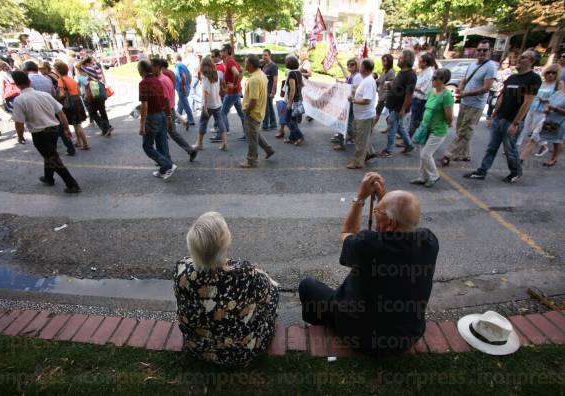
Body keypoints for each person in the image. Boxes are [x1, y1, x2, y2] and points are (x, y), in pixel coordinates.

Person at [298, 172, 438, 355]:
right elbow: (398, 223)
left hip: (363, 339)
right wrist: (385, 200)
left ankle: (321, 326)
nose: (375, 212)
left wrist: (361, 197)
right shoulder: (429, 241)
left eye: (377, 211)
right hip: (408, 336)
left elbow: (347, 232)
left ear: (390, 223)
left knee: (308, 286)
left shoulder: (368, 244)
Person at [174, 212, 279, 366]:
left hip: (198, 349)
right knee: (273, 291)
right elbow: (266, 293)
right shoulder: (245, 274)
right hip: (241, 353)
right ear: (225, 242)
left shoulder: (182, 272)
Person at [464, 50, 542, 183]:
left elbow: (527, 102)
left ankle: (516, 171)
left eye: (523, 57)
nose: (519, 58)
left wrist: (516, 123)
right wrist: (493, 116)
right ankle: (482, 171)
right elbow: (502, 97)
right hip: (500, 118)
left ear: (531, 61)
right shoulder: (512, 78)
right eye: (520, 56)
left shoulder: (533, 78)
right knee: (491, 147)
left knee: (509, 149)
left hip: (512, 121)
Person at [10, 71, 81, 194]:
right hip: (54, 130)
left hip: (40, 134)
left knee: (52, 158)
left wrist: (20, 136)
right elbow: (61, 112)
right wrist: (66, 128)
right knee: (49, 155)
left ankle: (72, 184)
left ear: (16, 85)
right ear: (29, 81)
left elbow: (19, 123)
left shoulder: (19, 100)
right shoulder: (45, 95)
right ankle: (48, 178)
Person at [442, 40, 497, 165]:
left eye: (484, 50)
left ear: (490, 51)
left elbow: (486, 88)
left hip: (476, 105)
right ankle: (464, 154)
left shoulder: (490, 67)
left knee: (465, 131)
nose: (481, 52)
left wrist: (465, 93)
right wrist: (460, 87)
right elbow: (464, 79)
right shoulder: (473, 64)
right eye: (479, 50)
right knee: (461, 129)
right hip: (465, 102)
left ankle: (448, 154)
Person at [411, 68, 454, 188]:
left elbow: (449, 116)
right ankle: (422, 177)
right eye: (433, 77)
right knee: (422, 154)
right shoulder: (432, 92)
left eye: (435, 78)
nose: (432, 80)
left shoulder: (446, 95)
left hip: (438, 130)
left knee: (425, 154)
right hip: (426, 128)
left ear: (443, 80)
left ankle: (434, 176)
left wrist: (448, 123)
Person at [24, 60, 75, 156]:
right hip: (51, 105)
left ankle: (52, 152)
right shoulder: (46, 79)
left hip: (39, 108)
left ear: (26, 70)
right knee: (60, 127)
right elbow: (54, 94)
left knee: (44, 132)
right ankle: (70, 147)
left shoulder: (28, 81)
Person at [151, 58, 197, 162]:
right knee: (168, 134)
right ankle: (169, 157)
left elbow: (165, 99)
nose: (151, 69)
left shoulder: (161, 80)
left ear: (158, 67)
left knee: (164, 136)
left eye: (152, 67)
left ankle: (166, 159)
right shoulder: (166, 77)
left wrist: (167, 116)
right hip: (169, 109)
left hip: (165, 111)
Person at [137, 60, 177, 181]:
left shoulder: (143, 83)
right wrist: (169, 116)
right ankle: (165, 169)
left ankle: (167, 165)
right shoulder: (158, 80)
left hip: (152, 117)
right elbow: (165, 99)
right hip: (162, 115)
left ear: (142, 70)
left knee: (147, 146)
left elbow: (145, 105)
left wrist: (142, 124)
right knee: (161, 144)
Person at [518, 64, 561, 159]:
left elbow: (558, 100)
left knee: (535, 135)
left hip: (544, 113)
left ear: (557, 74)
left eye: (553, 73)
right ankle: (543, 146)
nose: (550, 75)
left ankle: (520, 158)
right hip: (533, 109)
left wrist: (547, 101)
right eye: (549, 72)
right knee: (527, 129)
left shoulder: (557, 86)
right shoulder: (541, 83)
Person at [379, 50, 416, 157]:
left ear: (407, 60)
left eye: (401, 58)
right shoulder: (401, 72)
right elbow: (399, 85)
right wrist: (391, 84)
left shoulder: (411, 75)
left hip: (398, 107)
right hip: (393, 104)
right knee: (399, 127)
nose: (398, 59)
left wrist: (403, 109)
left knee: (392, 127)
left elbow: (409, 94)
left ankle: (389, 150)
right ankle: (409, 145)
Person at [240, 55, 275, 168]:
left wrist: (247, 111)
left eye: (245, 62)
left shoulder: (254, 79)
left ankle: (251, 160)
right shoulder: (261, 74)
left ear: (250, 65)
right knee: (255, 134)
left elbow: (253, 100)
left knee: (251, 137)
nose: (244, 64)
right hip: (259, 111)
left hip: (253, 112)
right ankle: (269, 150)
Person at [346, 58, 377, 169]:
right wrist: (355, 93)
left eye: (361, 65)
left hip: (365, 116)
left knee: (360, 140)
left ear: (364, 68)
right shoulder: (367, 79)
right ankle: (368, 152)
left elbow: (367, 100)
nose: (359, 67)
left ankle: (358, 162)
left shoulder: (368, 81)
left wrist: (353, 100)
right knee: (363, 137)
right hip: (363, 115)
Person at [54, 61, 89, 150]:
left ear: (58, 70)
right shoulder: (71, 79)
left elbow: (62, 94)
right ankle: (78, 142)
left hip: (70, 103)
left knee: (77, 125)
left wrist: (57, 98)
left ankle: (85, 143)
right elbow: (79, 92)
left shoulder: (60, 80)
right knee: (77, 123)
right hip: (77, 101)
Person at [196, 56, 227, 151]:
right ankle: (224, 143)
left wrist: (205, 107)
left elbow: (206, 93)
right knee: (220, 122)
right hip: (217, 103)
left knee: (202, 123)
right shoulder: (217, 73)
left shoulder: (206, 78)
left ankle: (199, 144)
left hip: (209, 105)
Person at [77, 56, 113, 136]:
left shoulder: (89, 69)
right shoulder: (97, 67)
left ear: (87, 63)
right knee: (102, 111)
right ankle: (107, 128)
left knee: (92, 113)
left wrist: (84, 60)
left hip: (94, 92)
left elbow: (78, 66)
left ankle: (105, 127)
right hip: (101, 91)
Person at [333, 58, 362, 150]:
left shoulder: (357, 76)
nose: (349, 66)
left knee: (346, 122)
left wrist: (351, 95)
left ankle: (350, 140)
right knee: (345, 121)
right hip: (349, 102)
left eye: (352, 64)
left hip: (352, 103)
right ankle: (348, 138)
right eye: (348, 64)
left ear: (357, 65)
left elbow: (355, 89)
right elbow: (348, 79)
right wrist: (341, 67)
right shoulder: (353, 75)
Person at [533, 82, 565, 166]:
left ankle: (553, 159)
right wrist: (546, 109)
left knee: (557, 140)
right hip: (550, 120)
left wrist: (556, 108)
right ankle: (547, 150)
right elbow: (549, 103)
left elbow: (554, 106)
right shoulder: (558, 93)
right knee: (554, 140)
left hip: (561, 122)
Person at [220, 44, 246, 141]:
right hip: (236, 92)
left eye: (221, 51)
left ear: (226, 51)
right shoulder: (231, 61)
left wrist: (234, 85)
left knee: (222, 113)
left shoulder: (230, 62)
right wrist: (237, 84)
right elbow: (241, 71)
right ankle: (247, 134)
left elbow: (237, 73)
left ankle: (221, 134)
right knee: (241, 114)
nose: (220, 53)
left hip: (232, 93)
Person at [409, 53, 435, 136]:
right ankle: (407, 136)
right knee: (412, 118)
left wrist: (412, 86)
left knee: (415, 120)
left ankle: (408, 139)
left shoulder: (429, 74)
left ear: (425, 63)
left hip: (421, 101)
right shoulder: (423, 71)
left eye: (420, 62)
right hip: (416, 99)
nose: (418, 64)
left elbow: (424, 91)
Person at [283, 55, 305, 146]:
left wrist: (289, 102)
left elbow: (292, 89)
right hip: (299, 98)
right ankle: (292, 138)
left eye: (286, 61)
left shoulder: (291, 73)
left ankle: (300, 136)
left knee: (288, 120)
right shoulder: (298, 72)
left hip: (293, 100)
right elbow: (302, 84)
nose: (285, 62)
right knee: (294, 119)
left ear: (288, 63)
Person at [373, 54, 396, 129]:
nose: (383, 62)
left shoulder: (391, 72)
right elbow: (380, 80)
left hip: (385, 96)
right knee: (387, 114)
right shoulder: (384, 70)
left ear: (389, 61)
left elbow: (392, 84)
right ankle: (390, 128)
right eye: (383, 60)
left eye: (385, 60)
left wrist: (384, 97)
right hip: (381, 94)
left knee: (377, 112)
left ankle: (370, 128)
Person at [175, 54, 195, 128]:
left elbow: (183, 76)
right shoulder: (183, 65)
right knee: (180, 104)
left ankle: (191, 120)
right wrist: (188, 84)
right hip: (185, 87)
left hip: (181, 88)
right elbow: (189, 75)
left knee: (185, 105)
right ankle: (177, 118)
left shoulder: (178, 66)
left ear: (175, 59)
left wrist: (183, 86)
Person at [261, 49, 278, 131]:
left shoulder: (273, 66)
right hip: (264, 89)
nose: (264, 57)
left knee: (266, 108)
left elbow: (275, 80)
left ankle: (265, 125)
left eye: (266, 55)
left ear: (270, 55)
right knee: (270, 107)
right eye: (263, 55)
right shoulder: (265, 65)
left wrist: (273, 91)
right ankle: (273, 123)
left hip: (269, 90)